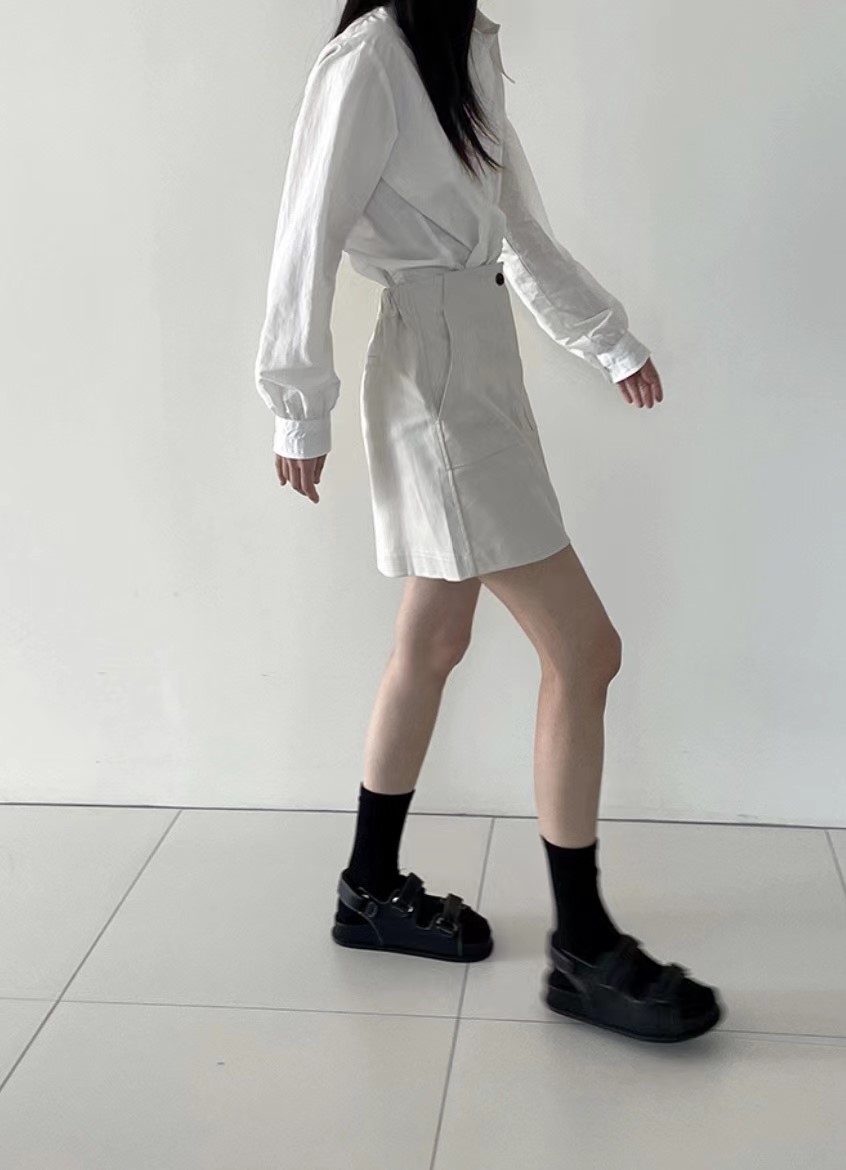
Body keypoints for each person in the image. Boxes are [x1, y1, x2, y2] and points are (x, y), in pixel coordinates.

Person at [254, 0, 722, 1043]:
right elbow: (305, 233)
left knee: (433, 641)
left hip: (481, 357)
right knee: (585, 649)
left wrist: (605, 339)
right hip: (433, 375)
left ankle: (369, 887)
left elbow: (517, 225)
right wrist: (298, 402)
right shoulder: (370, 58)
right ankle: (583, 947)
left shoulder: (463, 43)